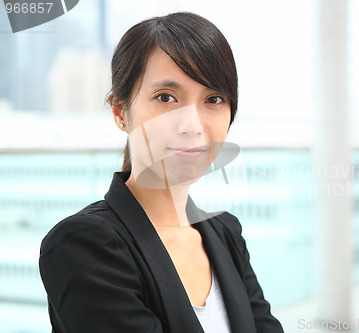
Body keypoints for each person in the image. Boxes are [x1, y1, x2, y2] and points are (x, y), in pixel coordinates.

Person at [39, 12, 284, 333]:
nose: (192, 125)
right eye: (166, 97)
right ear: (119, 112)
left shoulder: (225, 232)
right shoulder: (83, 244)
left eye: (213, 99)